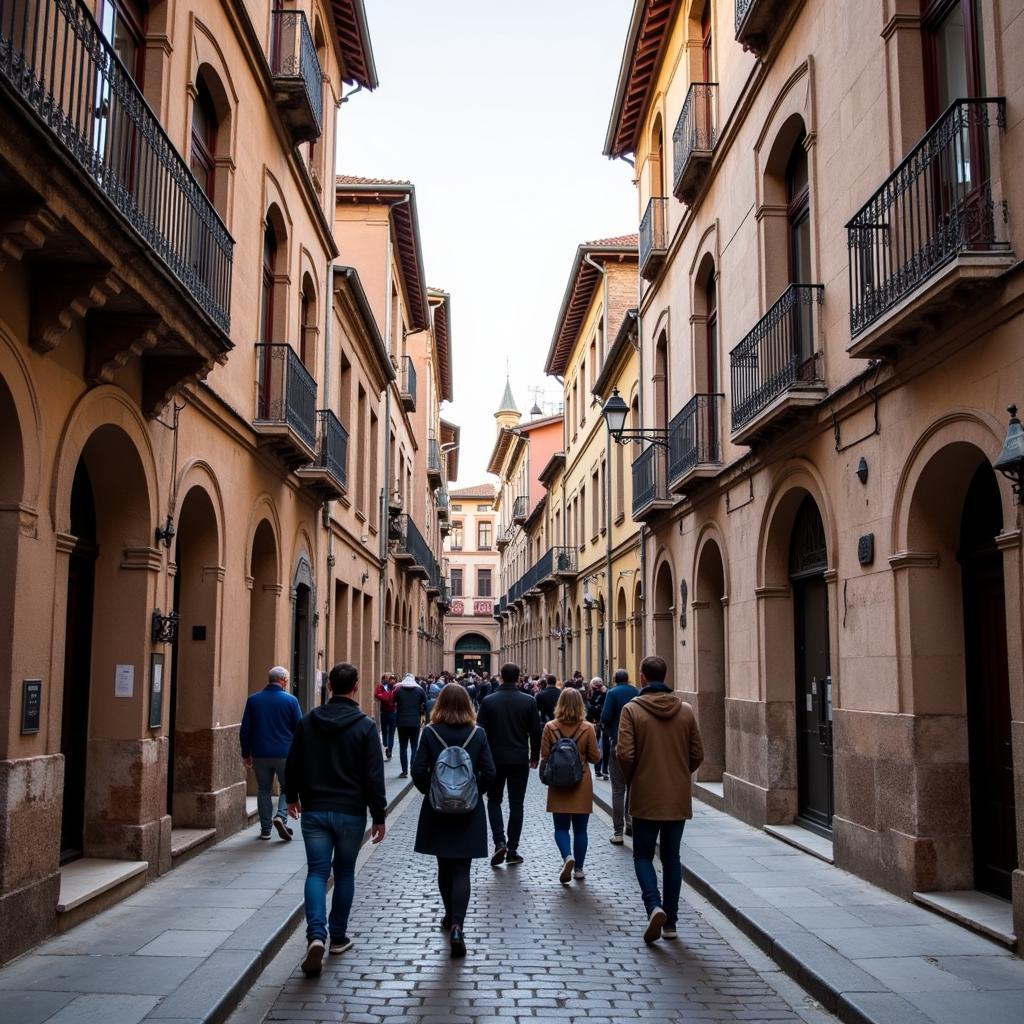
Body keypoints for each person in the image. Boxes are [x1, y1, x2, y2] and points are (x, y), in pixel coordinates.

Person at [284, 663, 387, 976]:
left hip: (314, 810)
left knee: (316, 872)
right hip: (350, 812)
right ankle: (338, 936)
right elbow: (374, 776)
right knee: (344, 873)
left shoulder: (308, 721)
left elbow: (293, 762)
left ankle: (316, 934)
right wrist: (379, 815)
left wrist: (291, 797)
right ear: (355, 686)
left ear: (329, 687)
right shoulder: (366, 726)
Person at [617, 655, 704, 944]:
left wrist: (635, 778)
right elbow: (697, 755)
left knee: (642, 854)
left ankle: (653, 906)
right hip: (676, 797)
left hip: (645, 795)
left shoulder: (631, 710)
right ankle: (671, 922)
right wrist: (679, 775)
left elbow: (625, 754)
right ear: (664, 676)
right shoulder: (687, 710)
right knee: (672, 858)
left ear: (642, 678)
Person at [411, 683, 496, 958]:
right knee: (462, 869)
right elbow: (490, 772)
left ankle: (449, 916)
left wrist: (433, 794)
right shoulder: (478, 733)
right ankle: (458, 925)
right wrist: (472, 795)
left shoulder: (431, 732)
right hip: (469, 813)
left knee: (444, 865)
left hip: (437, 811)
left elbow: (417, 770)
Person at [476, 662, 541, 867]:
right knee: (517, 804)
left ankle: (499, 842)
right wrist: (535, 756)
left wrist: (480, 759)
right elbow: (535, 731)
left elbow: (480, 732)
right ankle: (512, 849)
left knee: (493, 801)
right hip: (519, 759)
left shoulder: (488, 701)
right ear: (519, 677)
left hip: (494, 760)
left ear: (501, 677)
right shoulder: (528, 701)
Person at [539, 687, 601, 884]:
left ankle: (567, 856)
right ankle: (580, 869)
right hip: (581, 781)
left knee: (561, 827)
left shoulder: (550, 727)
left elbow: (545, 756)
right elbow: (595, 757)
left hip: (558, 782)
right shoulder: (588, 727)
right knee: (581, 830)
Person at [240, 666, 302, 841]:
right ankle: (281, 817)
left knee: (263, 790)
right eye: (287, 679)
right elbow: (299, 729)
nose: (288, 682)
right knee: (287, 787)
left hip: (260, 753)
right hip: (285, 754)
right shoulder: (291, 701)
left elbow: (245, 730)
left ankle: (265, 829)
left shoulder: (253, 700)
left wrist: (246, 753)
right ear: (282, 680)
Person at [601, 667, 639, 843]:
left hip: (618, 745)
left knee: (618, 789)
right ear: (628, 678)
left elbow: (605, 716)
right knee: (632, 787)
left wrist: (609, 732)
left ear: (615, 679)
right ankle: (630, 823)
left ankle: (617, 832)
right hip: (635, 745)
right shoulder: (636, 692)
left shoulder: (612, 693)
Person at [394, 672, 426, 778]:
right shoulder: (419, 690)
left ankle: (404, 771)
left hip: (402, 722)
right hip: (415, 722)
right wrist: (421, 713)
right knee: (414, 746)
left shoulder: (398, 690)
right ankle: (413, 767)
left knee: (403, 748)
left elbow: (392, 702)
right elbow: (425, 703)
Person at [586, 678, 607, 778]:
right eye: (596, 686)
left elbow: (602, 707)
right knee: (597, 746)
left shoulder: (605, 694)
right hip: (593, 724)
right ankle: (598, 769)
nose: (597, 688)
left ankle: (601, 769)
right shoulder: (590, 694)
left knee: (601, 747)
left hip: (600, 724)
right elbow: (590, 708)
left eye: (599, 685)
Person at [374, 675, 398, 760]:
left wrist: (384, 696)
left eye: (391, 679)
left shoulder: (395, 688)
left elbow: (382, 697)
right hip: (385, 712)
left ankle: (389, 750)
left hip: (391, 713)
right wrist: (387, 696)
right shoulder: (381, 687)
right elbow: (377, 695)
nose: (390, 681)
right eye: (388, 679)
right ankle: (386, 747)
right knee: (385, 732)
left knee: (390, 732)